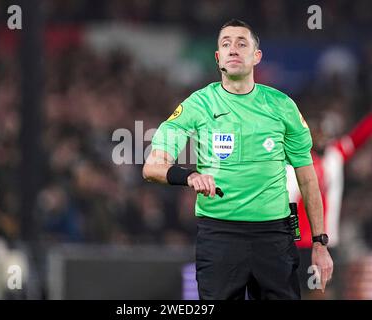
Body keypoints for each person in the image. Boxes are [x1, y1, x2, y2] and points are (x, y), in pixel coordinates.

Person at [142, 19, 333, 300]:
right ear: (218, 58)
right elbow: (151, 167)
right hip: (219, 236)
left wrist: (319, 242)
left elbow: (307, 178)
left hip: (274, 237)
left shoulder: (282, 106)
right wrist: (189, 175)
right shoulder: (199, 104)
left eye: (242, 43)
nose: (233, 49)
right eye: (226, 44)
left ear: (256, 56)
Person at [286, 94, 372, 298]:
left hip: (324, 242)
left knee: (320, 292)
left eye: (326, 133)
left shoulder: (335, 155)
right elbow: (289, 203)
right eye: (318, 133)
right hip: (297, 244)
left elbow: (362, 134)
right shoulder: (294, 161)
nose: (322, 137)